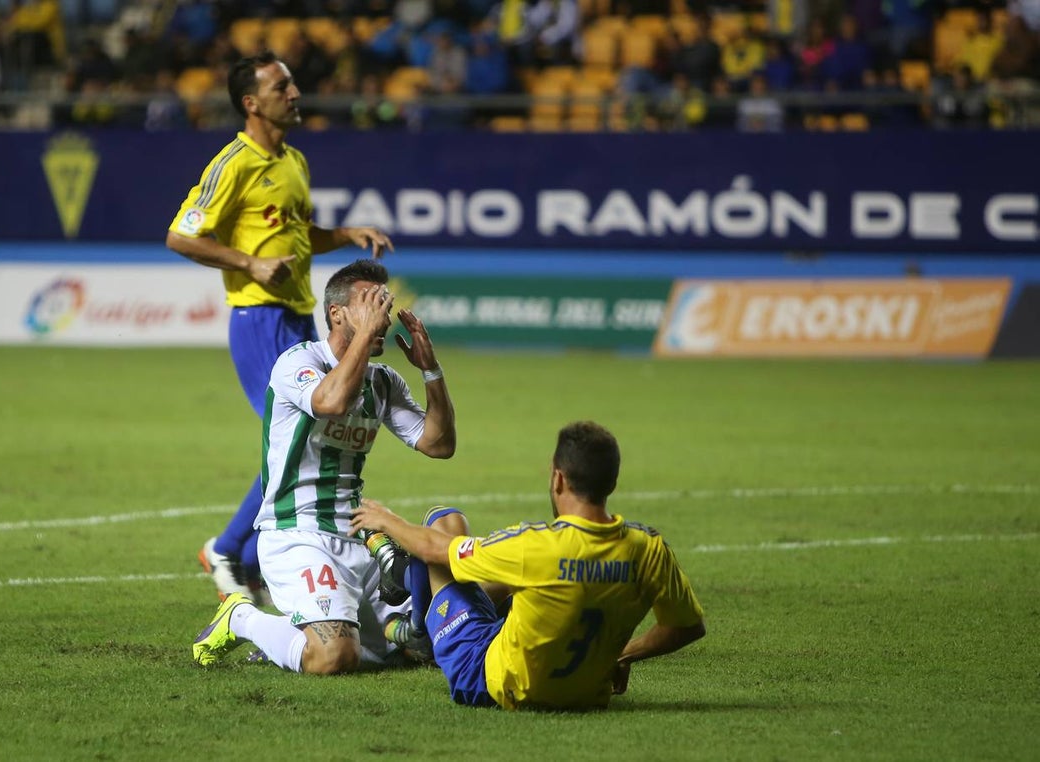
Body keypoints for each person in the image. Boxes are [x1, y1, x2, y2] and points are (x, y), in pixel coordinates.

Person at [166, 51, 395, 606]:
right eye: (281, 87)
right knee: (296, 434)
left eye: (292, 84)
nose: (294, 94)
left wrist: (345, 234)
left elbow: (297, 235)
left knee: (308, 433)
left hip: (295, 315)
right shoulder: (233, 164)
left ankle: (248, 561)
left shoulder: (293, 161)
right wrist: (249, 263)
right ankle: (226, 550)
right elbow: (181, 235)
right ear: (251, 102)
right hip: (258, 318)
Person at [192, 259, 457, 674]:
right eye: (371, 305)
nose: (383, 317)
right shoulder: (299, 362)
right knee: (335, 655)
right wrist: (365, 334)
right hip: (296, 536)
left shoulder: (383, 381)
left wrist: (430, 370)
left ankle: (297, 639)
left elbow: (439, 444)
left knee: (434, 639)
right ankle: (241, 617)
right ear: (337, 314)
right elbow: (330, 402)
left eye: (385, 306)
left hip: (357, 540)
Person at [349, 421, 706, 710]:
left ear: (559, 478)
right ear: (612, 482)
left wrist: (386, 520)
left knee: (444, 521)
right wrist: (620, 655)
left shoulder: (534, 545)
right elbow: (687, 626)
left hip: (487, 678)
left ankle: (415, 617)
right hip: (586, 695)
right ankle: (413, 605)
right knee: (511, 583)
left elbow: (436, 549)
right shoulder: (649, 549)